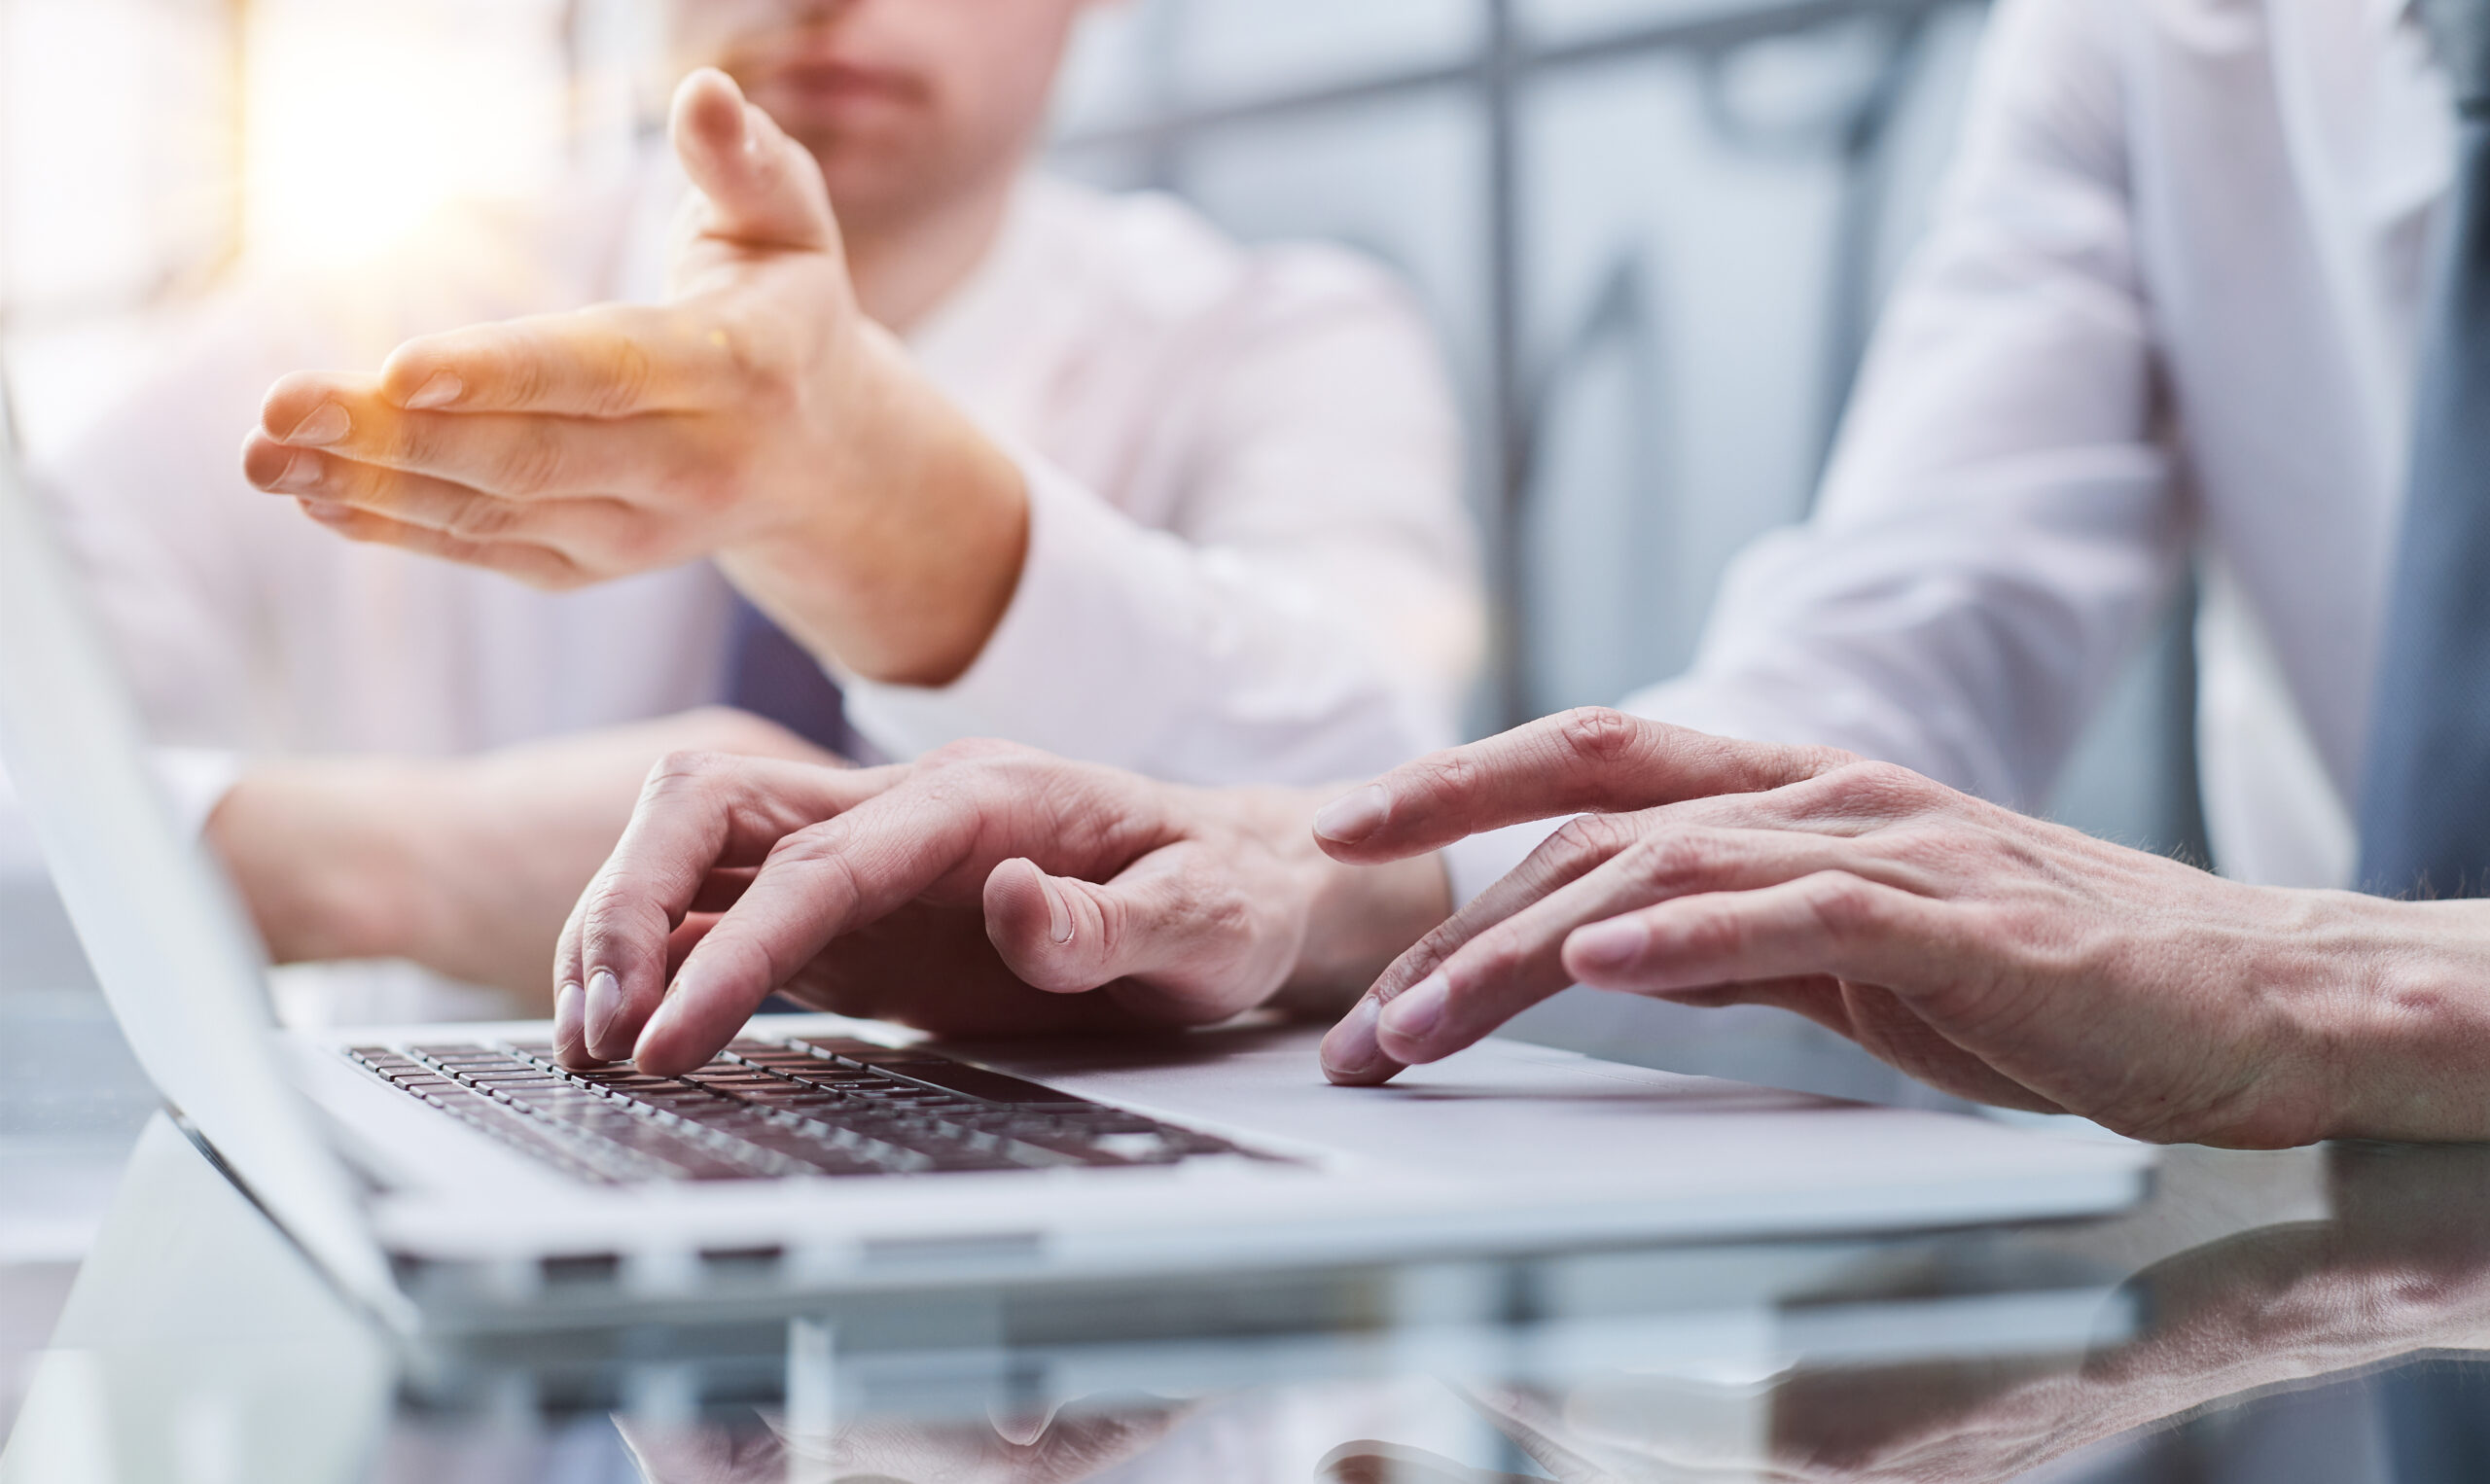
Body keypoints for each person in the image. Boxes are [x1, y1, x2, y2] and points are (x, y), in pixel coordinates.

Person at [431, 0, 2490, 1148]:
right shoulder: (2169, 43)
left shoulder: (1268, 325)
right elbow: (1874, 703)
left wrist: (2350, 980)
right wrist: (1300, 883)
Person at [34, 0, 1477, 1019]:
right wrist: (372, 863)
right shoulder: (373, 308)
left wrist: (882, 509)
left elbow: (1390, 838)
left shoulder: (1275, 340)